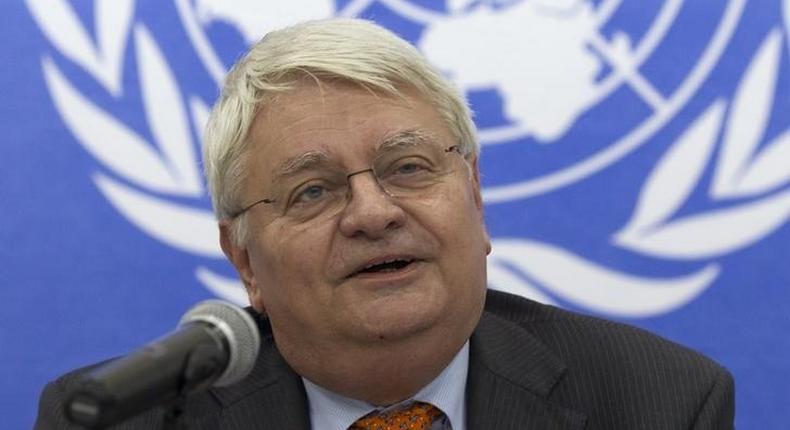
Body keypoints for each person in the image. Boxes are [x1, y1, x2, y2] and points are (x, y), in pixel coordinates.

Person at [35, 18, 734, 429]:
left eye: (408, 168)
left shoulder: (661, 404)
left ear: (475, 198)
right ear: (245, 262)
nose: (373, 213)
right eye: (312, 191)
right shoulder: (123, 418)